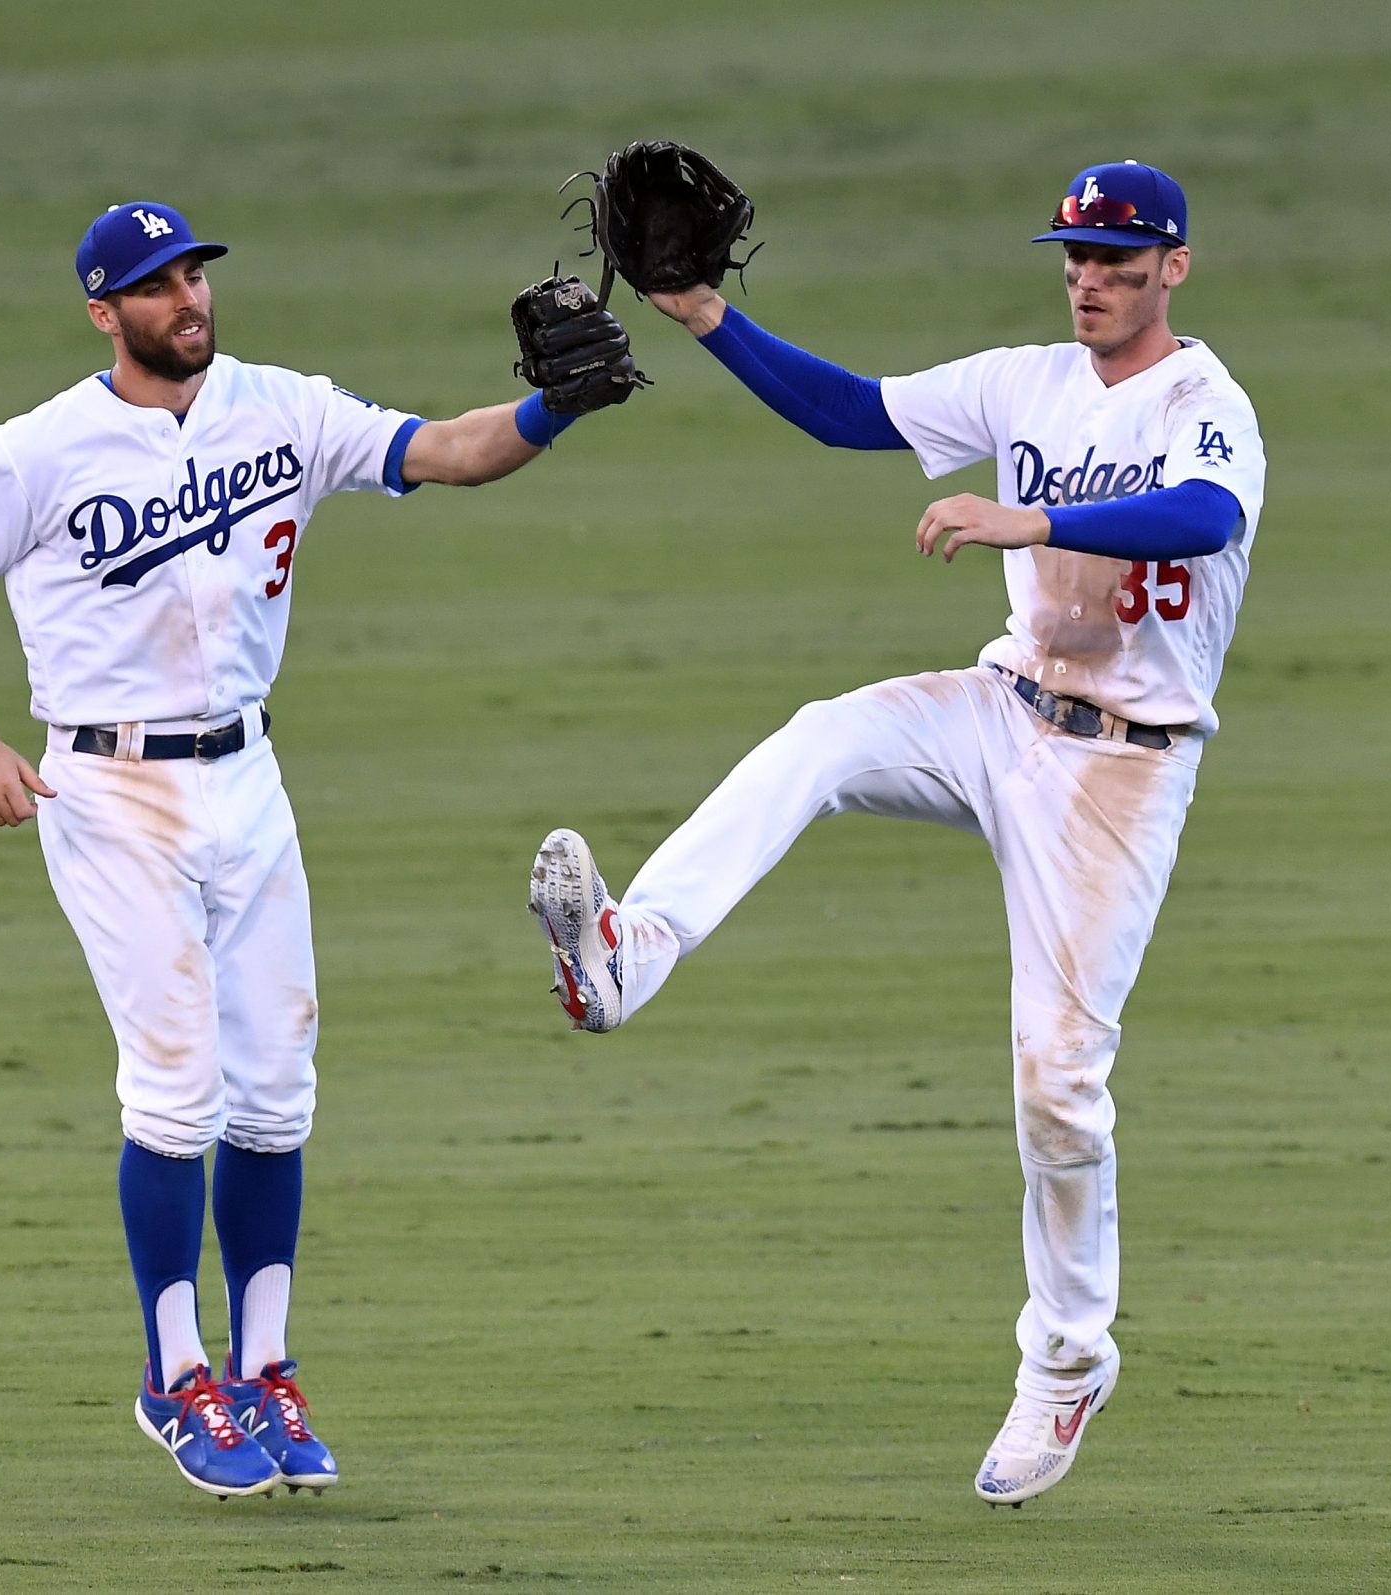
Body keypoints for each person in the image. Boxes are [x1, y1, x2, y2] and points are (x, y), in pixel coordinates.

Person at [526, 160, 1266, 1505]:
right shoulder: (1023, 381)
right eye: (1074, 256)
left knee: (1058, 1084)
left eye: (1117, 258)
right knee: (820, 739)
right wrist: (704, 318)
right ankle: (630, 949)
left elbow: (1203, 517)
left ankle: (1069, 1360)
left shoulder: (1203, 405)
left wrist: (1027, 515)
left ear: (1175, 266)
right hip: (1000, 712)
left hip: (1122, 774)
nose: (1089, 279)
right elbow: (849, 414)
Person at [0, 201, 634, 1499]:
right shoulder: (37, 451)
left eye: (193, 274)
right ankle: (175, 1374)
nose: (187, 297)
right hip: (108, 792)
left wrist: (552, 412)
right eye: (156, 284)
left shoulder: (279, 408)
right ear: (103, 311)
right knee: (178, 1090)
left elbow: (447, 451)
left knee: (277, 1091)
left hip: (249, 778)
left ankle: (267, 1371)